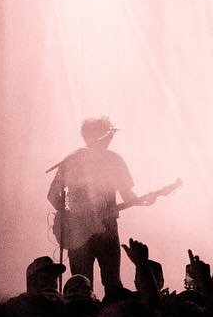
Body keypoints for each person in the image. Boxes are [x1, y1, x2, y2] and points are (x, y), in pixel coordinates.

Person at [47, 117, 159, 297]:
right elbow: (128, 196)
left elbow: (52, 196)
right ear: (101, 135)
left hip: (81, 233)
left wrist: (71, 219)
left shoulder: (72, 160)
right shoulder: (112, 160)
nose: (111, 138)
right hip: (105, 231)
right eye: (109, 134)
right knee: (112, 285)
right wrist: (143, 201)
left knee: (81, 286)